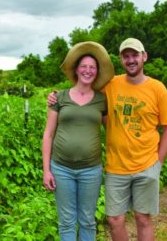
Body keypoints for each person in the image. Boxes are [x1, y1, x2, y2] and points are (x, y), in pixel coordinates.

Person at [48, 38, 167, 241]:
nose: (131, 60)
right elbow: (82, 91)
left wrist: (158, 163)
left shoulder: (158, 88)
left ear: (144, 57)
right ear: (121, 60)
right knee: (115, 220)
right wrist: (55, 96)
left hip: (147, 164)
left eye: (135, 55)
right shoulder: (111, 85)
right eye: (126, 56)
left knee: (143, 218)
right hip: (116, 166)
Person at [42, 41, 114, 241]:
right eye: (84, 66)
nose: (88, 70)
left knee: (87, 220)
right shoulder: (59, 97)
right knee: (66, 221)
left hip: (91, 170)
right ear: (76, 70)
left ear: (97, 72)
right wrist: (46, 170)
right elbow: (48, 134)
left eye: (92, 67)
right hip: (61, 169)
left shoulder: (102, 100)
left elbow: (112, 131)